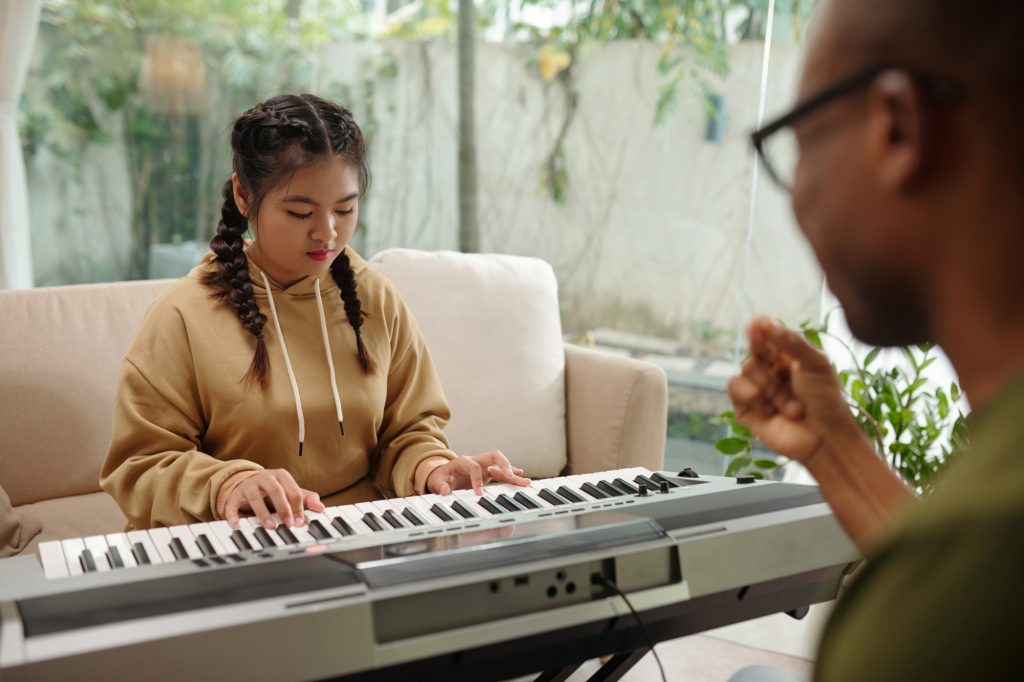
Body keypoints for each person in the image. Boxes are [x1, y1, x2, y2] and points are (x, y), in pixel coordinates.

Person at [730, 0, 1024, 679]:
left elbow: (954, 589)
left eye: (800, 145)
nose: (798, 195)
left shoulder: (972, 567)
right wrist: (832, 444)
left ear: (897, 129)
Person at [101, 94, 529, 532]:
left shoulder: (374, 298)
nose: (327, 232)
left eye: (345, 209)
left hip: (361, 535)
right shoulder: (182, 316)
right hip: (237, 539)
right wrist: (229, 484)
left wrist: (434, 467)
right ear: (244, 196)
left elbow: (410, 429)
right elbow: (139, 465)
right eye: (300, 211)